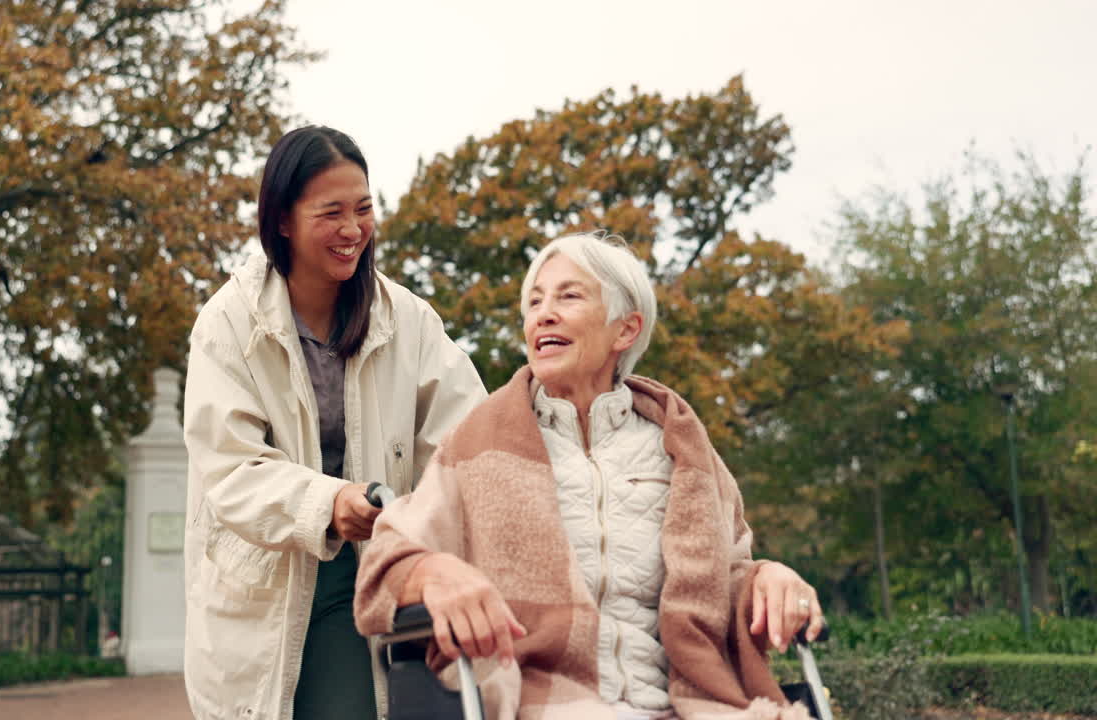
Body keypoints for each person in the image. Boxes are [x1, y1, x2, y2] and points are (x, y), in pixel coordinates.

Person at [355, 231, 826, 720]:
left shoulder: (681, 446)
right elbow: (384, 560)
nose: (543, 313)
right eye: (534, 301)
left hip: (691, 702)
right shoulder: (480, 442)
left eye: (569, 296)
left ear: (625, 330)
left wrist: (767, 577)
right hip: (542, 701)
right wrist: (433, 572)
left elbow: (722, 581)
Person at [182, 125, 487, 720]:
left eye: (364, 208)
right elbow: (231, 468)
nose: (353, 230)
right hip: (264, 581)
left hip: (369, 580)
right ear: (283, 221)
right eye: (332, 213)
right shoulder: (228, 322)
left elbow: (468, 441)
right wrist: (330, 503)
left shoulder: (409, 320)